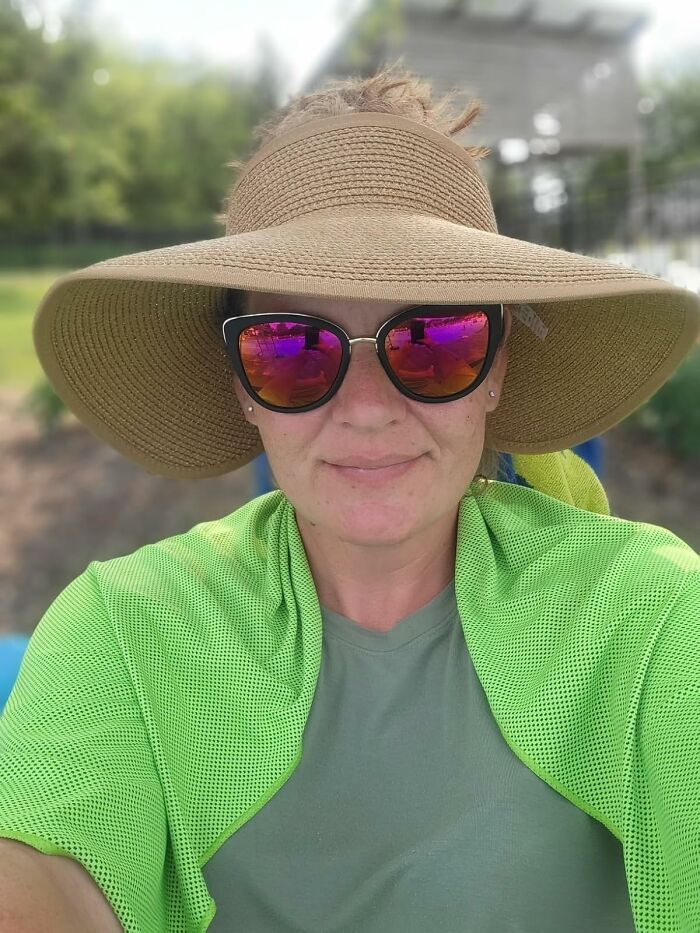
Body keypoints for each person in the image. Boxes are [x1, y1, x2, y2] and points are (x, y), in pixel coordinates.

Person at [1, 62, 699, 933]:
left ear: (498, 368)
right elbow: (44, 880)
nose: (368, 409)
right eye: (291, 348)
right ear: (241, 385)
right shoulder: (125, 633)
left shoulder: (650, 615)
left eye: (434, 338)